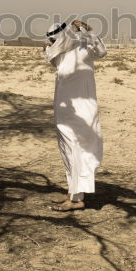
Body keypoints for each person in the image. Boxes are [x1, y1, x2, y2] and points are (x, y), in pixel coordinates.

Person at [44, 18, 107, 211]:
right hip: (64, 109)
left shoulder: (84, 46)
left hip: (83, 110)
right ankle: (73, 193)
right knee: (68, 150)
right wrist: (59, 40)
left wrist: (88, 32)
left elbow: (102, 52)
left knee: (78, 148)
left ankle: (76, 199)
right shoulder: (56, 51)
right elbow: (55, 53)